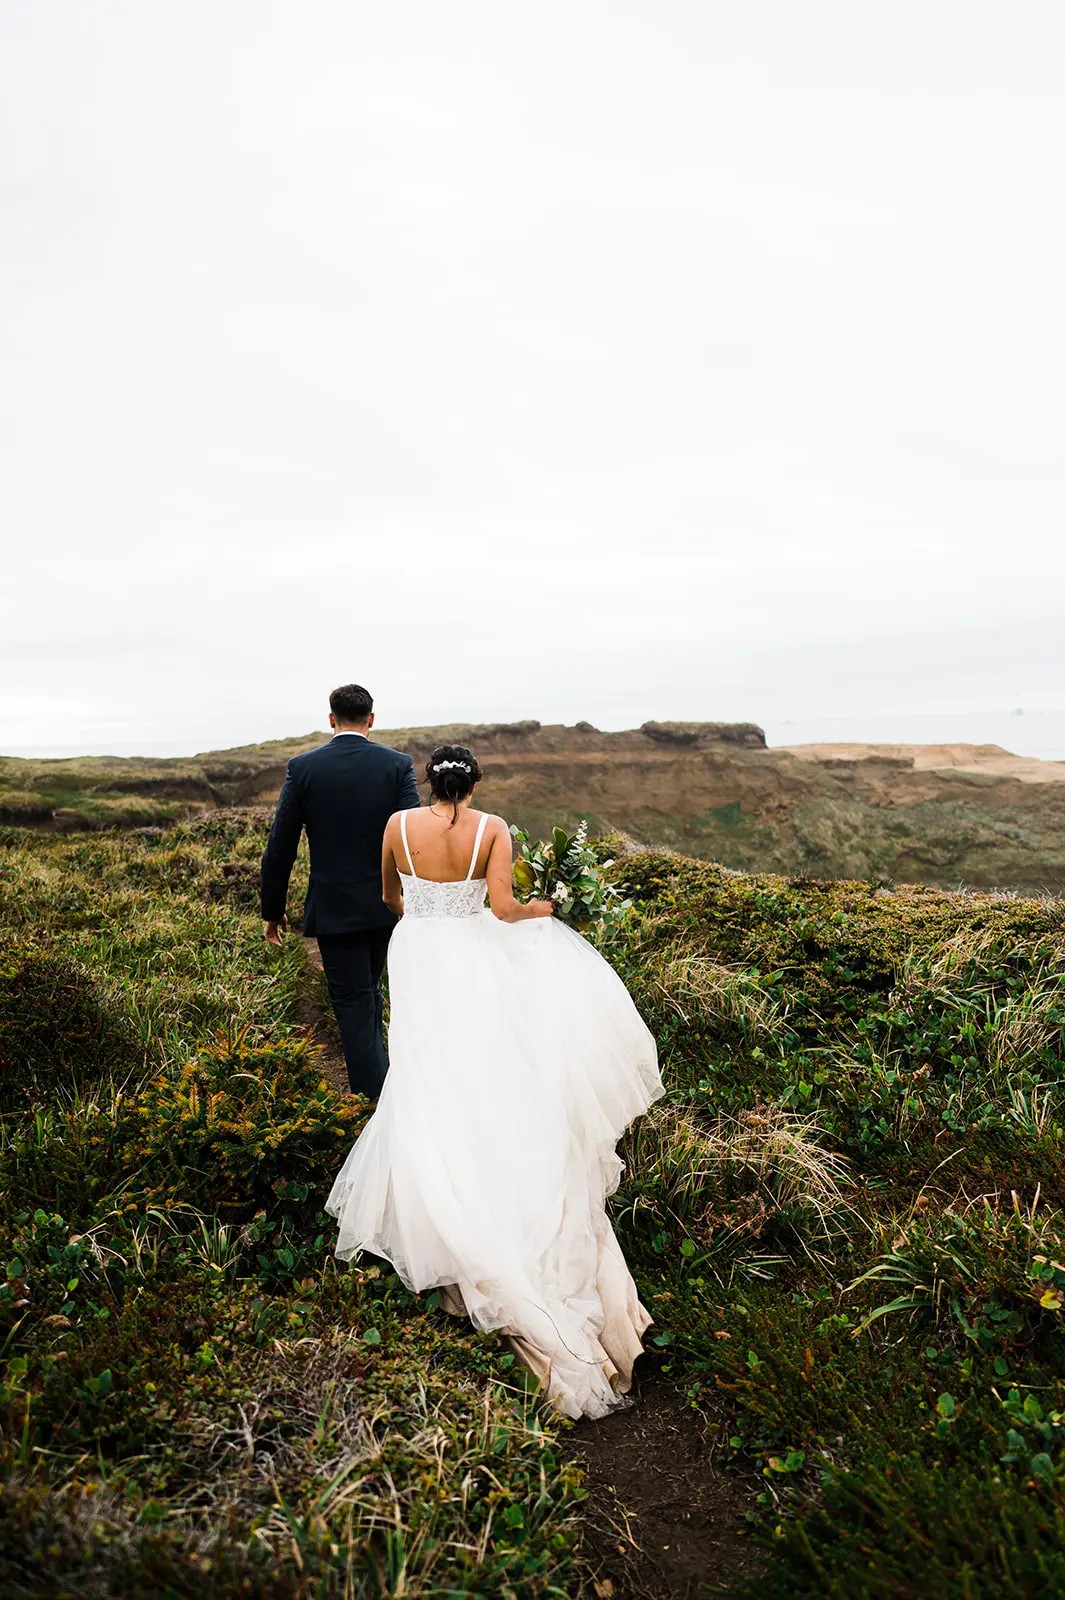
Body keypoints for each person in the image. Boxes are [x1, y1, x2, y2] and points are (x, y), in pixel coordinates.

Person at [324, 743, 664, 1420]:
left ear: (427, 781)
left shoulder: (397, 827)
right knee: (486, 1058)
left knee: (427, 1065)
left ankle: (444, 1174)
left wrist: (425, 920)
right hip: (469, 953)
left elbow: (390, 896)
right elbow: (503, 910)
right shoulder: (492, 829)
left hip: (418, 950)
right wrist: (546, 909)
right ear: (474, 783)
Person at [259, 683, 420, 1097]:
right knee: (366, 993)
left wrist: (272, 909)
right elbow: (413, 834)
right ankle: (386, 1090)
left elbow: (281, 845)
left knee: (354, 1001)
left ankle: (376, 1103)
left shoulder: (304, 767)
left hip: (334, 909)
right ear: (371, 719)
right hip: (390, 906)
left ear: (331, 719)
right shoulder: (397, 765)